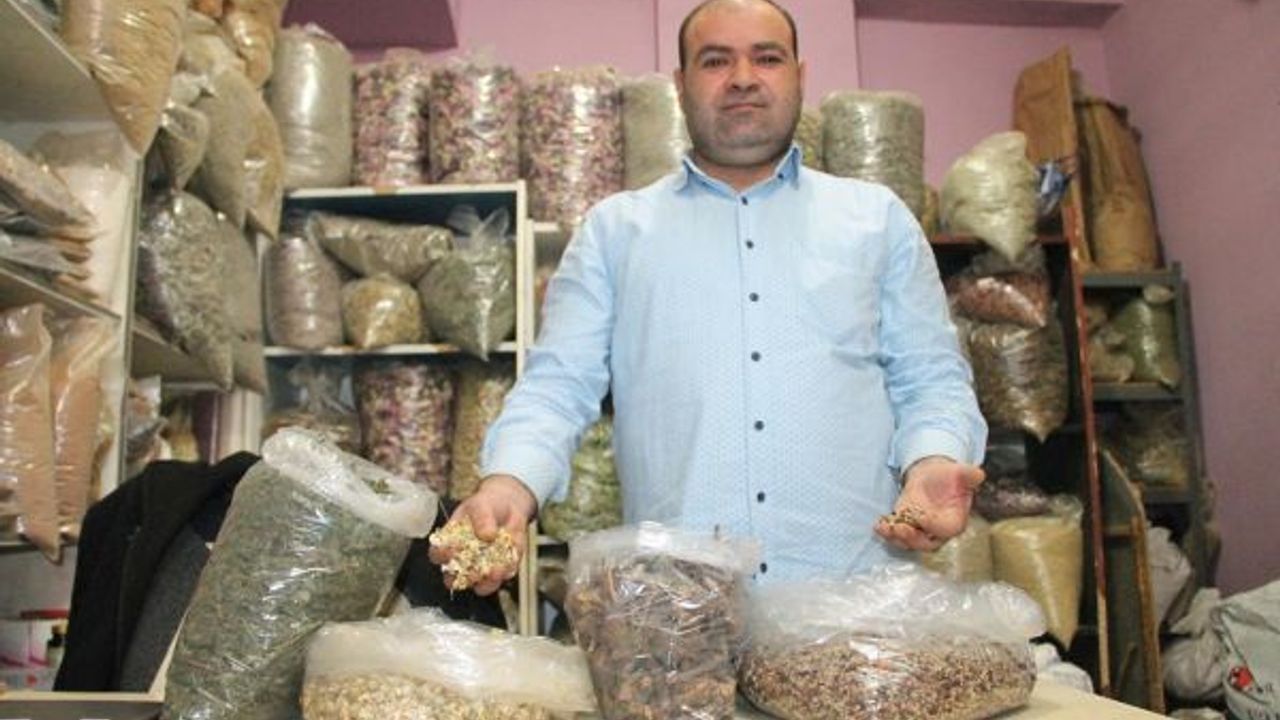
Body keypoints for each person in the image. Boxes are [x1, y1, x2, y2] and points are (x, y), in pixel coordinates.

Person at [432, 0, 987, 594]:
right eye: (716, 60)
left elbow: (930, 376)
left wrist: (931, 460)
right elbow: (557, 386)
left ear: (800, 75)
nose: (743, 77)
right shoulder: (615, 232)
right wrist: (509, 484)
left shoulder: (876, 219)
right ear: (681, 84)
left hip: (854, 601)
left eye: (767, 58)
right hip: (683, 612)